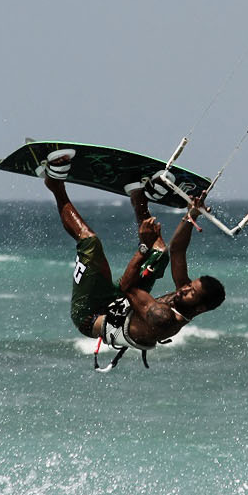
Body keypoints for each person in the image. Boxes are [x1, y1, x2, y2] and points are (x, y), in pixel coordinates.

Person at [41, 148, 225, 369]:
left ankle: (55, 185)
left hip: (91, 313)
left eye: (190, 293)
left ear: (200, 308)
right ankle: (137, 195)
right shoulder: (185, 298)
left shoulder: (162, 317)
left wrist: (143, 245)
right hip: (124, 302)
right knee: (161, 252)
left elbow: (127, 286)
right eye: (189, 286)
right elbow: (177, 249)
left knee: (90, 243)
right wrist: (191, 215)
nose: (183, 289)